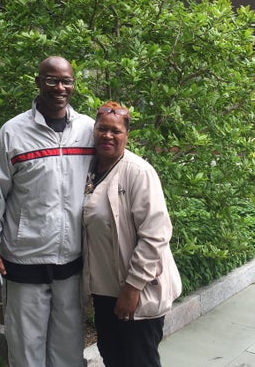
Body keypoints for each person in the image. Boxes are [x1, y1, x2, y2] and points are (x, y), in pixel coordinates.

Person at [0, 56, 95, 367]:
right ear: (38, 82)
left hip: (71, 261)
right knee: (26, 350)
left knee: (68, 351)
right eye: (52, 79)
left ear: (73, 84)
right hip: (24, 260)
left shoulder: (88, 130)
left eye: (66, 80)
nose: (60, 87)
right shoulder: (13, 133)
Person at [83, 101, 182, 367]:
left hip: (137, 290)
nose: (108, 135)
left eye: (116, 131)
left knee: (139, 360)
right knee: (112, 358)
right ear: (94, 130)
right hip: (104, 292)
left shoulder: (138, 173)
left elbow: (156, 234)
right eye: (102, 129)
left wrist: (132, 287)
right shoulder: (88, 170)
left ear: (127, 136)